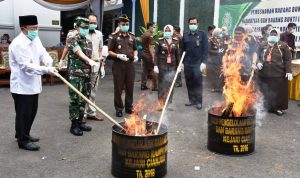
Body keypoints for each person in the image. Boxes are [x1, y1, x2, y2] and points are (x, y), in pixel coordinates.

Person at [9, 15, 57, 151]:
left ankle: (24, 133)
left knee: (31, 112)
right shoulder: (18, 44)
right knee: (23, 113)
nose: (36, 30)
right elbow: (25, 66)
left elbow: (42, 53)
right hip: (22, 86)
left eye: (37, 27)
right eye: (33, 28)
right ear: (23, 28)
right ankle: (22, 140)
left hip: (34, 84)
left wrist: (48, 61)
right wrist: (46, 69)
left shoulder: (35, 38)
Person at [67, 17, 96, 136]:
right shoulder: (73, 39)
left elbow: (89, 57)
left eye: (87, 28)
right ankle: (74, 125)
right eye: (83, 27)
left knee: (84, 98)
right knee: (75, 99)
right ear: (77, 27)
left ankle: (80, 122)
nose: (85, 29)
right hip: (75, 75)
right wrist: (89, 60)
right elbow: (79, 52)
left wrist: (97, 60)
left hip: (86, 75)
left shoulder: (88, 41)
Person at [256, 29, 293, 116]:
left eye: (275, 34)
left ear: (278, 36)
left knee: (279, 92)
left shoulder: (283, 45)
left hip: (278, 73)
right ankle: (265, 107)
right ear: (268, 35)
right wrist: (258, 62)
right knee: (264, 91)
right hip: (264, 73)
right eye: (271, 34)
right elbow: (256, 55)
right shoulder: (263, 44)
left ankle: (279, 108)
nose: (273, 35)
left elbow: (288, 59)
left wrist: (289, 71)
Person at [108, 15, 138, 117]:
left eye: (127, 24)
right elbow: (109, 51)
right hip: (118, 65)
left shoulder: (132, 36)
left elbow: (135, 48)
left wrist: (135, 56)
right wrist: (118, 55)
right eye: (123, 24)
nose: (125, 26)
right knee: (118, 88)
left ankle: (129, 107)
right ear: (119, 25)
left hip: (130, 65)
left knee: (130, 87)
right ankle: (119, 108)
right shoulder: (114, 36)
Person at [181, 17, 208, 110]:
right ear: (188, 24)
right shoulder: (185, 35)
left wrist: (204, 62)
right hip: (187, 63)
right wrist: (182, 63)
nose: (193, 25)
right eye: (191, 23)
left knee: (198, 83)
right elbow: (182, 50)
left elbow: (205, 49)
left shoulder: (202, 34)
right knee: (189, 82)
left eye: (194, 23)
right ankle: (191, 100)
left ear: (197, 24)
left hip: (198, 63)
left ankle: (199, 102)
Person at [83, 13, 105, 121]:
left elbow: (101, 49)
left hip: (95, 66)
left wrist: (102, 66)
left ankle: (91, 112)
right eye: (90, 23)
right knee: (83, 90)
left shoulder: (99, 34)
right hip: (84, 66)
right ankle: (83, 114)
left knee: (93, 90)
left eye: (94, 23)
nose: (92, 24)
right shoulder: (82, 33)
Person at [153, 25, 180, 110]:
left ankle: (169, 103)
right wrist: (155, 65)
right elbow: (156, 55)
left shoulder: (176, 41)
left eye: (169, 30)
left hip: (172, 66)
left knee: (170, 85)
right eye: (166, 30)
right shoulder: (159, 41)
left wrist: (179, 65)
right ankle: (160, 104)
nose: (167, 32)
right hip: (162, 65)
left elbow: (177, 55)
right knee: (162, 85)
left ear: (172, 31)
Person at [207, 28, 226, 92]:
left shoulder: (220, 40)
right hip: (212, 60)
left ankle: (219, 87)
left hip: (219, 59)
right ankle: (214, 87)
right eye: (219, 33)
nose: (220, 35)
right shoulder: (210, 40)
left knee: (220, 73)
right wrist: (217, 51)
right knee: (214, 74)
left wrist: (221, 51)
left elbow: (222, 48)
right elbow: (208, 50)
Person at [141, 22, 157, 91]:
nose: (154, 28)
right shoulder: (149, 35)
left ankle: (143, 85)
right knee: (153, 70)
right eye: (153, 27)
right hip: (148, 54)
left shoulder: (145, 33)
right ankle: (154, 86)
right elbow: (150, 47)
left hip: (144, 53)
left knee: (145, 70)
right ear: (150, 27)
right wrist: (153, 57)